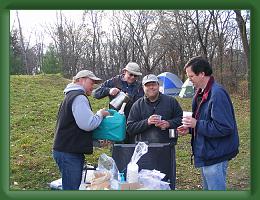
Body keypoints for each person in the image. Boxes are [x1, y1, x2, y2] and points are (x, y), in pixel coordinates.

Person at [177, 56, 239, 190]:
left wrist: (196, 124)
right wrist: (190, 129)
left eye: (191, 76)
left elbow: (225, 127)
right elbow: (205, 121)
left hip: (216, 154)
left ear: (202, 74)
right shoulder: (200, 93)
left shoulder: (217, 94)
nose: (189, 80)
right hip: (207, 152)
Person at [52, 70, 110, 190]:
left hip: (66, 150)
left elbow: (75, 128)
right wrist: (100, 114)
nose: (93, 86)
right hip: (69, 153)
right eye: (91, 82)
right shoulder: (79, 97)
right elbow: (87, 124)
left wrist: (97, 143)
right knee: (71, 190)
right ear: (81, 80)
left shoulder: (71, 95)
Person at [126, 74, 183, 189]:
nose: (151, 87)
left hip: (167, 148)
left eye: (154, 84)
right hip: (145, 151)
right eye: (148, 85)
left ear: (158, 86)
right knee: (147, 183)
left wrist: (168, 124)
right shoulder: (137, 105)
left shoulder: (171, 101)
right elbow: (130, 128)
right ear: (143, 88)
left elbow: (180, 119)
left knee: (166, 181)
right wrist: (147, 122)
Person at [93, 62, 144, 143]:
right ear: (124, 72)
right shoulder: (114, 81)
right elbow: (95, 93)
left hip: (133, 122)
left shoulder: (140, 86)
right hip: (117, 122)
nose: (133, 77)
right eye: (130, 74)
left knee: (131, 149)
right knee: (117, 149)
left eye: (135, 75)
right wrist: (109, 90)